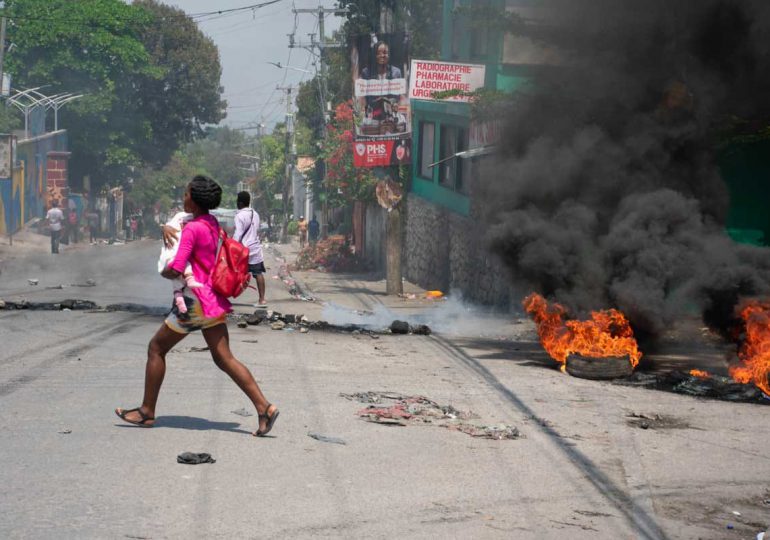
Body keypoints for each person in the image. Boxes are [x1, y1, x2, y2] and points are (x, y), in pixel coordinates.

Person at [115, 175, 279, 436]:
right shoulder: (211, 223)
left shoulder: (192, 230)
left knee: (156, 348)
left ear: (194, 198)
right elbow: (178, 222)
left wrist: (165, 270)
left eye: (185, 194)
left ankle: (147, 412)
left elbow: (177, 267)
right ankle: (264, 407)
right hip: (212, 300)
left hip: (193, 303)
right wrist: (163, 228)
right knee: (224, 358)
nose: (183, 198)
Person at [157, 211, 203, 317]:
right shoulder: (180, 216)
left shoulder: (204, 219)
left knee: (180, 285)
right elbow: (168, 226)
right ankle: (177, 309)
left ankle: (179, 308)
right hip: (180, 256)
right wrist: (165, 228)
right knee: (179, 280)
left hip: (193, 259)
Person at [233, 191, 267, 308]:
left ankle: (224, 296)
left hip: (243, 249)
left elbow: (238, 233)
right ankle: (262, 300)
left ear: (241, 203)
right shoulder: (255, 214)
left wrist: (232, 246)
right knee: (258, 273)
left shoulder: (239, 215)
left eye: (237, 201)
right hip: (255, 248)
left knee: (231, 271)